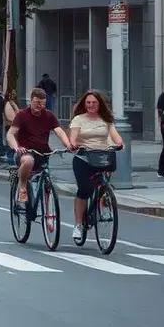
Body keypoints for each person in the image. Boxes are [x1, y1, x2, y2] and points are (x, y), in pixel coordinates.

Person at [67, 90, 124, 243]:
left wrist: (119, 142)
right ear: (84, 104)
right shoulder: (79, 119)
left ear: (100, 104)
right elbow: (73, 136)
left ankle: (103, 198)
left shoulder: (106, 119)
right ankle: (78, 225)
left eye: (94, 103)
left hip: (103, 155)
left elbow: (114, 134)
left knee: (104, 183)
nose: (91, 105)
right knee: (85, 189)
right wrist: (73, 143)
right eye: (88, 103)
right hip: (84, 157)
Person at [7, 87, 73, 206]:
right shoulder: (22, 115)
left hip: (43, 152)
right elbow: (11, 134)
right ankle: (22, 187)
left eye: (43, 103)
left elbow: (59, 131)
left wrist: (68, 144)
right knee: (28, 161)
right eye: (37, 102)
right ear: (31, 101)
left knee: (46, 181)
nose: (40, 106)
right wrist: (16, 147)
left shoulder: (48, 115)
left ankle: (49, 214)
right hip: (25, 151)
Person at [2, 88, 21, 166]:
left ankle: (12, 161)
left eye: (14, 93)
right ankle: (10, 162)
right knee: (11, 145)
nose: (13, 95)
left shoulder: (12, 103)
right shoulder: (9, 104)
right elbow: (11, 118)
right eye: (11, 94)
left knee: (13, 144)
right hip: (10, 126)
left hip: (13, 126)